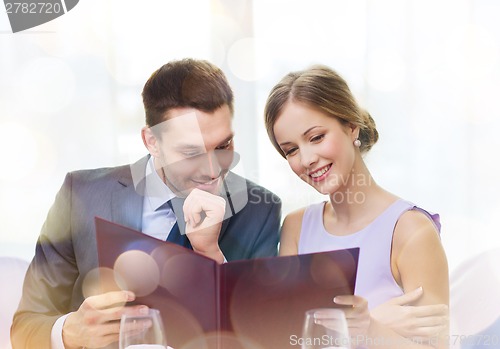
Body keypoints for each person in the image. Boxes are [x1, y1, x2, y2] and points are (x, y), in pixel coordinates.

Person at [11, 58, 281, 349]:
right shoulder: (81, 196)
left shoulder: (259, 210)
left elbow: (262, 335)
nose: (213, 171)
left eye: (223, 146)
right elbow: (26, 325)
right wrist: (67, 332)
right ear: (151, 141)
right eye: (190, 152)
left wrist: (210, 254)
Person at [264, 65, 448, 348]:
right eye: (291, 150)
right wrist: (376, 321)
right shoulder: (296, 227)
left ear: (351, 126)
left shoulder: (410, 230)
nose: (307, 159)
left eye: (316, 137)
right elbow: (285, 341)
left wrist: (369, 328)